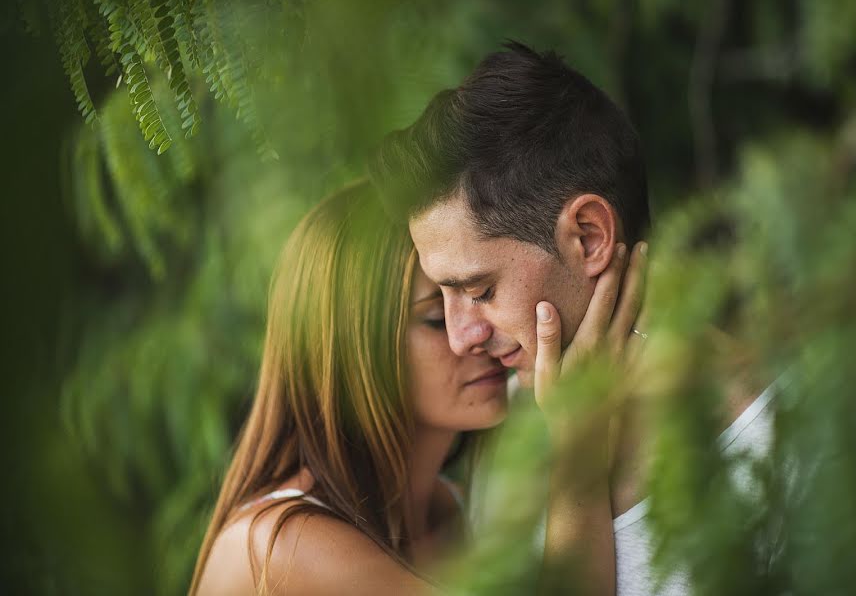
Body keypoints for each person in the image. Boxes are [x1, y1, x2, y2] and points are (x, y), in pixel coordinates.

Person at [370, 41, 777, 595]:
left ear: (589, 238)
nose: (462, 338)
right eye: (442, 297)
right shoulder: (513, 417)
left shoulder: (780, 455)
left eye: (481, 289)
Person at [189, 180, 643, 595]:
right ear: (355, 350)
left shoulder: (454, 510)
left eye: (479, 295)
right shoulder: (288, 544)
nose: (474, 334)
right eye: (433, 317)